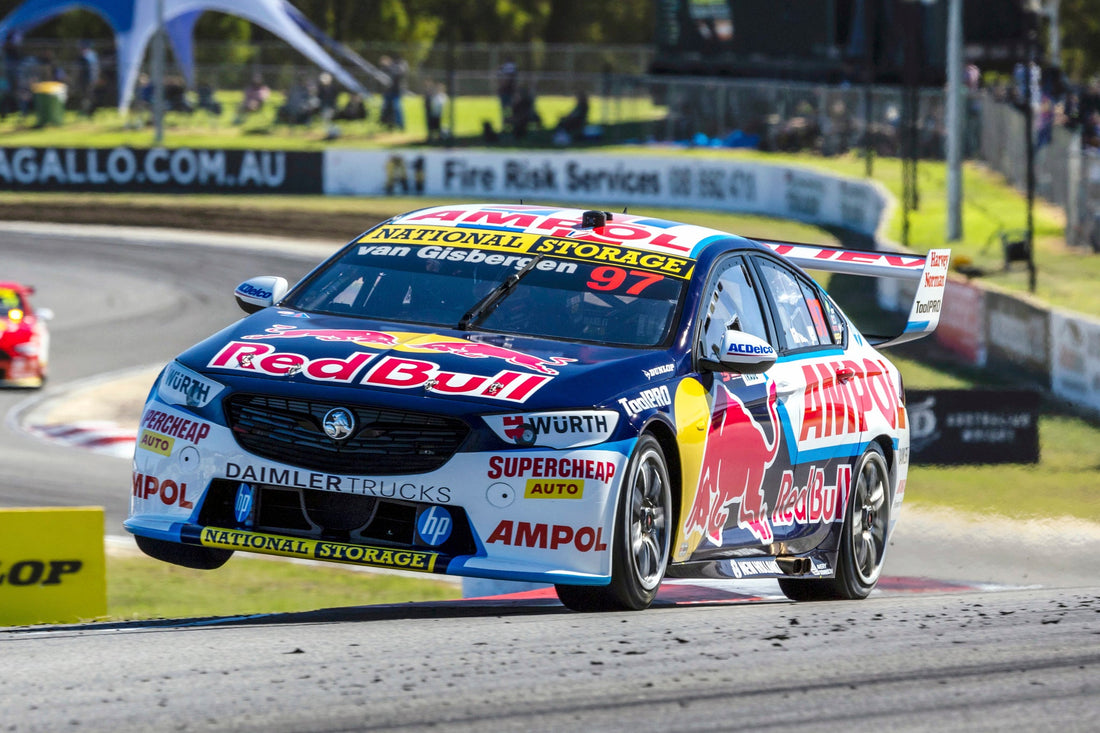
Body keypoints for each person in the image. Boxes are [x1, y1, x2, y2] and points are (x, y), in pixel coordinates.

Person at [380, 54, 407, 130]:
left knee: (397, 108)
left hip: (396, 91)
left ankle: (401, 125)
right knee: (386, 108)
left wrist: (389, 66)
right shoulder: (384, 69)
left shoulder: (396, 67)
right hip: (387, 92)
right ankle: (388, 125)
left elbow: (400, 74)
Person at [75, 41, 99, 116]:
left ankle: (87, 112)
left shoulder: (85, 56)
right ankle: (88, 112)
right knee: (88, 96)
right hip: (90, 80)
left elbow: (79, 70)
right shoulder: (93, 55)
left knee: (87, 97)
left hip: (87, 80)